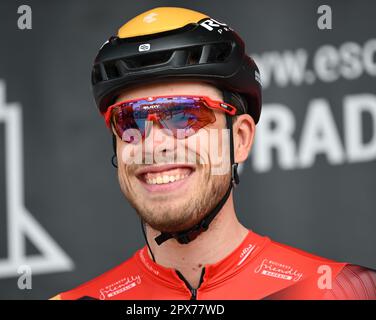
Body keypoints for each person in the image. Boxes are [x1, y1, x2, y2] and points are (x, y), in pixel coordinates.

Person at [51, 7, 376, 300]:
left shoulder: (346, 291)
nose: (154, 145)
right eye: (129, 120)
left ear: (241, 138)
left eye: (185, 115)